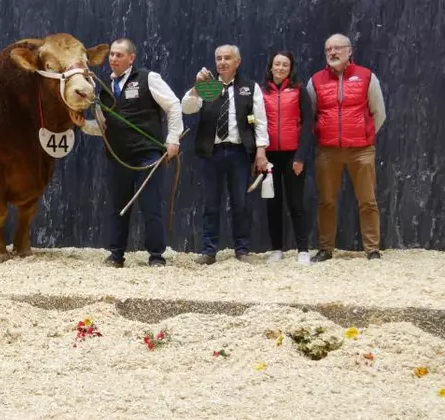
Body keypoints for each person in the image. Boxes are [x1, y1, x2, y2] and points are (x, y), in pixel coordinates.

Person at [73, 37, 184, 267]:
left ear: (131, 58)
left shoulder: (148, 78)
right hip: (117, 156)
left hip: (148, 155)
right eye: (112, 54)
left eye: (119, 55)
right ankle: (116, 255)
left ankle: (156, 257)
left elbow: (173, 105)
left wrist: (173, 139)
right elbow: (103, 128)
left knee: (151, 207)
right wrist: (83, 125)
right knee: (117, 208)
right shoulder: (103, 89)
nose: (113, 58)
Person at [181, 44, 269, 265]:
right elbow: (187, 108)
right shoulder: (208, 86)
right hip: (211, 153)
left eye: (227, 58)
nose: (222, 62)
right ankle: (209, 251)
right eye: (218, 58)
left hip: (239, 153)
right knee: (211, 204)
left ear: (237, 62)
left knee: (240, 203)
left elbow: (259, 121)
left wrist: (261, 151)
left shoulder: (249, 87)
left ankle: (242, 250)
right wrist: (195, 87)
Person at [306, 33, 386, 262]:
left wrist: (363, 135)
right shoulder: (316, 81)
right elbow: (311, 116)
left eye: (338, 48)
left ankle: (372, 249)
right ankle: (325, 249)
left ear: (349, 51)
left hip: (361, 150)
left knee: (368, 201)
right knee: (326, 201)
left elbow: (378, 113)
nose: (333, 52)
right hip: (327, 152)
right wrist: (324, 133)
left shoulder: (366, 77)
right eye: (328, 49)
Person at [261, 51, 314, 264]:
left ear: (290, 68)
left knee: (296, 203)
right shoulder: (261, 92)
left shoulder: (299, 91)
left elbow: (309, 124)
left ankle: (302, 249)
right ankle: (276, 249)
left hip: (293, 155)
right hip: (269, 155)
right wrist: (260, 154)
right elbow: (254, 122)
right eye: (277, 64)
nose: (281, 68)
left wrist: (300, 156)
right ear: (271, 67)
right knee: (273, 204)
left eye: (285, 65)